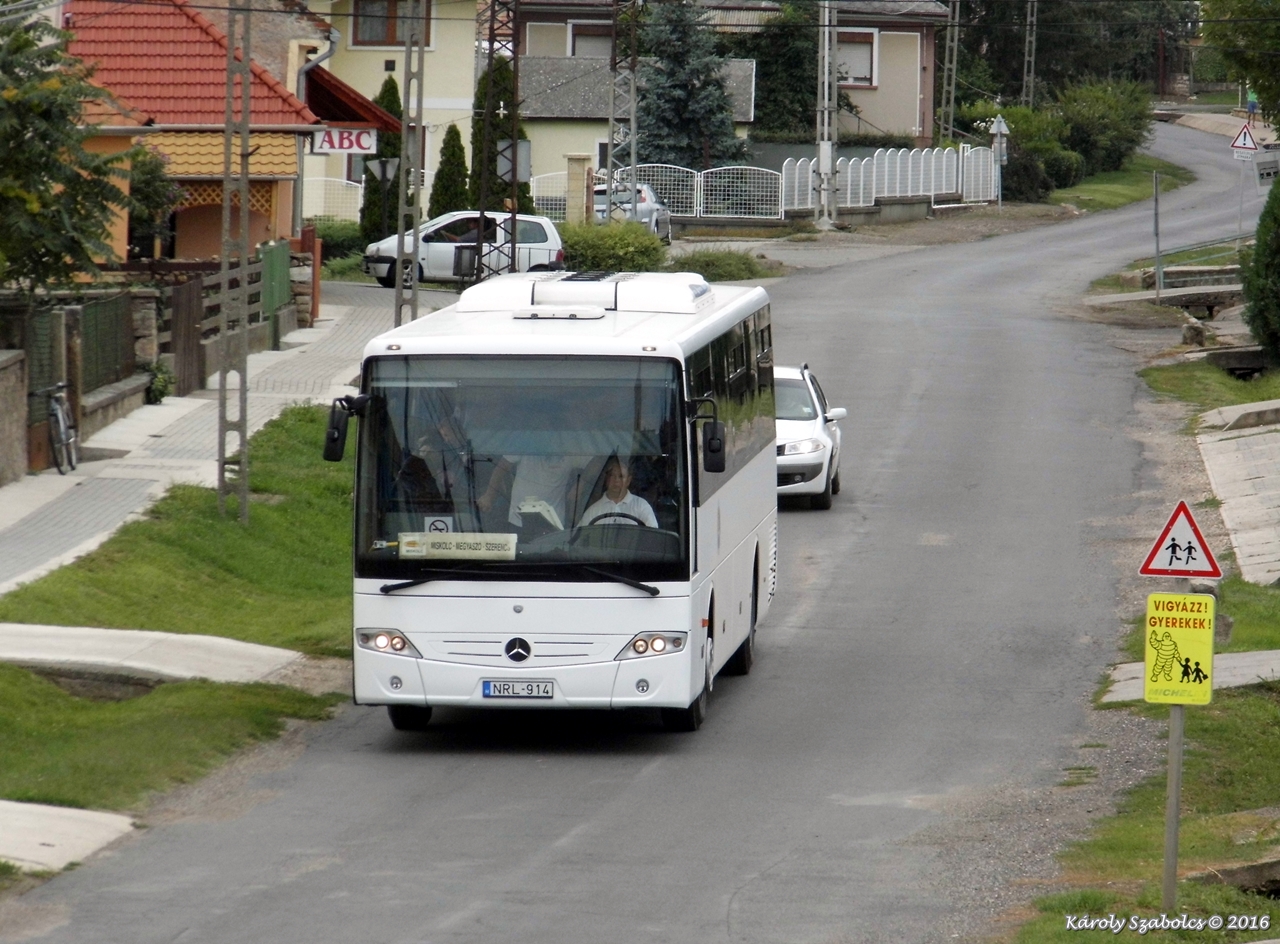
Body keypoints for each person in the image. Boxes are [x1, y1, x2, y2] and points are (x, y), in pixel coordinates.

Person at [578, 455, 658, 528]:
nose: (616, 480)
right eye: (612, 475)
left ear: (628, 480)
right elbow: (580, 537)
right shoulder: (593, 510)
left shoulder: (641, 506)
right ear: (607, 479)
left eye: (621, 476)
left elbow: (653, 536)